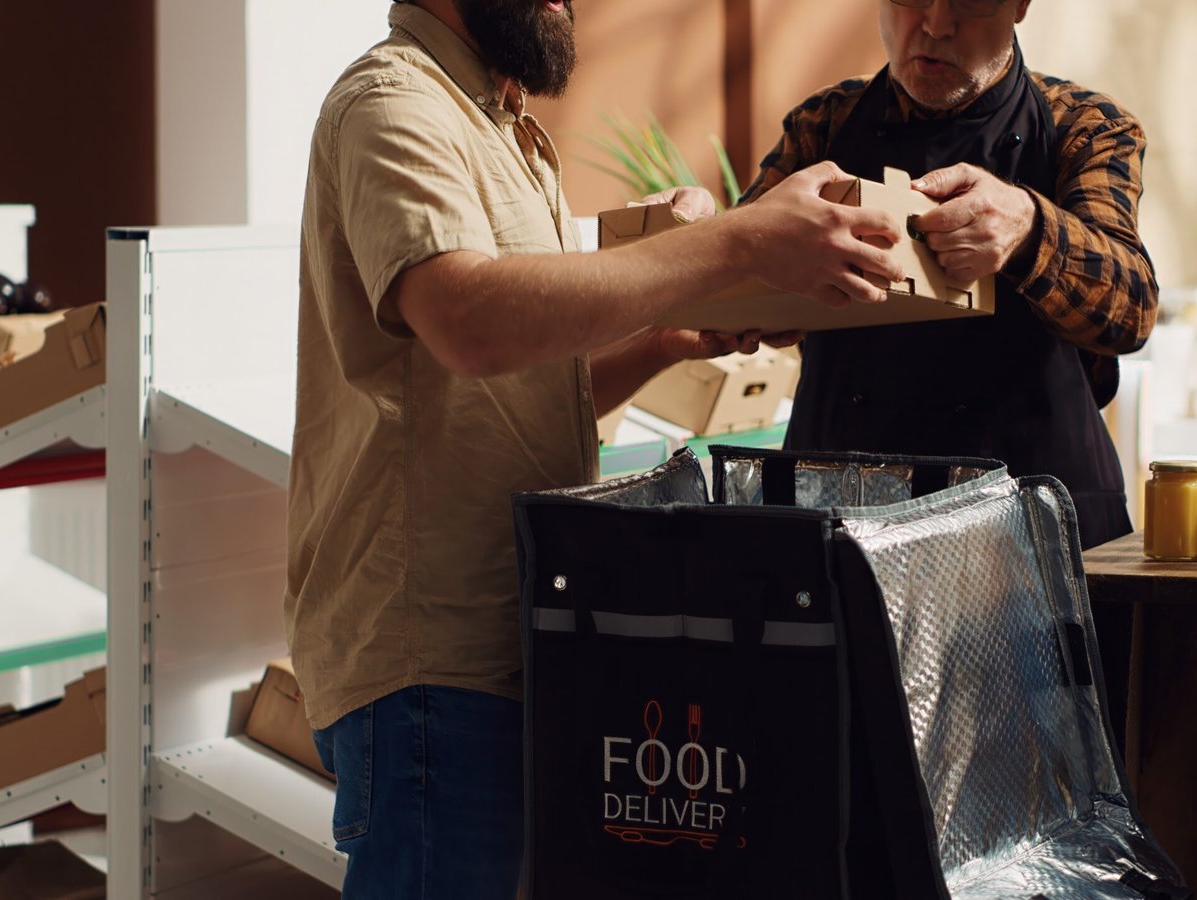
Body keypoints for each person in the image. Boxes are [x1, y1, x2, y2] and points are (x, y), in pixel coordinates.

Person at [284, 0, 905, 896]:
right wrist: (735, 242)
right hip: (433, 656)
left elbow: (516, 388)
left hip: (513, 642)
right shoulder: (394, 104)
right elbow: (469, 321)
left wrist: (663, 342)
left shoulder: (501, 126)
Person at [742, 0, 1157, 739]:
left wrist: (1029, 228)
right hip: (848, 536)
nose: (933, 25)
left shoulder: (1083, 126)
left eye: (965, 3)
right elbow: (734, 294)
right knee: (843, 781)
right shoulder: (824, 128)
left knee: (1055, 786)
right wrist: (714, 248)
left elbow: (1130, 306)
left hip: (1025, 544)